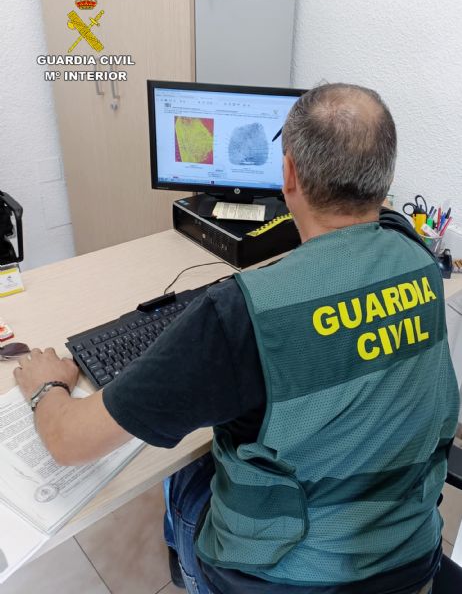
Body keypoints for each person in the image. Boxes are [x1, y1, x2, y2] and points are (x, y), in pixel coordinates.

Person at [14, 84, 459, 594]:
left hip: (284, 581)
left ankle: (191, 571)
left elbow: (70, 442)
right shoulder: (420, 261)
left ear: (288, 174)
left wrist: (46, 385)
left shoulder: (241, 314)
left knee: (183, 464)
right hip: (411, 557)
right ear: (386, 181)